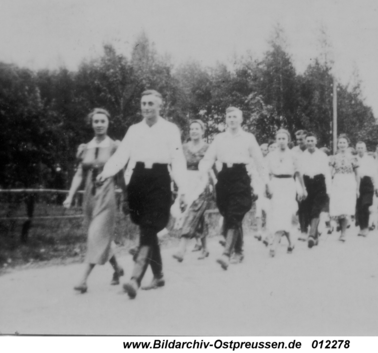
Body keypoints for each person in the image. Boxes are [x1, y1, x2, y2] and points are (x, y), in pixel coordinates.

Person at [98, 90, 187, 300]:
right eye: (143, 103)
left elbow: (177, 159)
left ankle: (135, 279)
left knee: (149, 226)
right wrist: (107, 171)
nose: (146, 107)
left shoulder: (170, 129)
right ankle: (159, 275)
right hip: (138, 179)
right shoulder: (134, 129)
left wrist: (183, 187)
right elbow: (122, 154)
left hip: (159, 179)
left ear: (160, 105)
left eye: (150, 104)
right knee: (145, 227)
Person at [198, 107, 269, 270]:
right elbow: (208, 158)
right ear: (226, 119)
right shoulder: (219, 138)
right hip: (224, 177)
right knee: (228, 213)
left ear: (241, 119)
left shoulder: (248, 138)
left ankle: (226, 253)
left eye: (235, 117)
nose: (232, 119)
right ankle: (239, 250)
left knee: (234, 214)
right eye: (229, 117)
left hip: (240, 176)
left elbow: (260, 162)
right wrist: (202, 176)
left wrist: (266, 183)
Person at [63, 108, 125, 293]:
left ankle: (83, 280)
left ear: (108, 123)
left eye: (102, 121)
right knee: (98, 236)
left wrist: (127, 195)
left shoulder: (115, 146)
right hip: (89, 196)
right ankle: (118, 269)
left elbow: (120, 174)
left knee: (95, 235)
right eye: (96, 122)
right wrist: (70, 195)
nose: (99, 125)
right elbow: (80, 173)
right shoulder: (85, 148)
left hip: (107, 195)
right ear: (91, 124)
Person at [171, 120, 216, 262]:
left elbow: (213, 167)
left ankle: (181, 249)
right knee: (198, 216)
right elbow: (176, 165)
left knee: (192, 212)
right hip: (186, 183)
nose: (194, 131)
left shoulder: (209, 147)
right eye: (191, 129)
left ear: (203, 131)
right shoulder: (183, 147)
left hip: (202, 183)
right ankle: (205, 248)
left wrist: (217, 186)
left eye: (197, 129)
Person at [265, 129, 306, 256]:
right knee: (277, 213)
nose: (281, 141)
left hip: (288, 184)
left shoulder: (294, 155)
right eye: (279, 139)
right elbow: (265, 173)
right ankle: (291, 243)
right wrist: (266, 187)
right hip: (275, 184)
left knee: (286, 212)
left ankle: (275, 244)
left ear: (288, 140)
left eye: (284, 139)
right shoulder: (270, 155)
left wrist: (303, 189)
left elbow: (299, 173)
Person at [298, 132, 330, 248]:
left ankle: (311, 234)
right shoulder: (301, 156)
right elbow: (299, 174)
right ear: (305, 142)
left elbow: (327, 173)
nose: (310, 143)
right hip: (306, 183)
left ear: (316, 142)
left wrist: (329, 190)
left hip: (319, 182)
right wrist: (301, 189)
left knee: (316, 209)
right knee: (308, 209)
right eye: (308, 141)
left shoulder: (322, 156)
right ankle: (315, 237)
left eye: (312, 140)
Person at [328, 134, 358, 242]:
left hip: (349, 183)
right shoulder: (333, 157)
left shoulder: (353, 158)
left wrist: (357, 188)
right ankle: (338, 225)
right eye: (339, 143)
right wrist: (329, 185)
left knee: (346, 208)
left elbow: (357, 174)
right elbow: (329, 172)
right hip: (337, 182)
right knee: (337, 207)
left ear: (347, 144)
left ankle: (343, 233)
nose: (341, 145)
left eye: (343, 143)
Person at [355, 142, 378, 237]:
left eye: (362, 148)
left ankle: (365, 227)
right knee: (359, 207)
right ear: (356, 149)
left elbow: (375, 174)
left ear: (365, 149)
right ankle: (361, 228)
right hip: (357, 183)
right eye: (358, 148)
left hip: (367, 183)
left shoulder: (370, 159)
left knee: (365, 205)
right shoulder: (354, 159)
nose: (360, 149)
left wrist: (377, 187)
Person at [291, 130, 308, 238]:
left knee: (310, 205)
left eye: (301, 139)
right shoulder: (293, 151)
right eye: (297, 139)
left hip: (311, 178)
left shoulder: (312, 149)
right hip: (298, 179)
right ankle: (303, 230)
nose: (299, 142)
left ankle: (314, 226)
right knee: (301, 204)